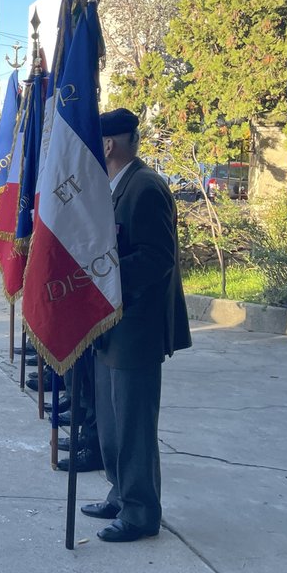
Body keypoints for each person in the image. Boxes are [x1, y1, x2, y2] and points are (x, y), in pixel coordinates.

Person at [81, 108, 191, 543]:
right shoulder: (116, 187)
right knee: (110, 420)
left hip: (136, 325)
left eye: (96, 142)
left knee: (133, 424)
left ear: (109, 144)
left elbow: (156, 258)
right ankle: (120, 492)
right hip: (111, 322)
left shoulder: (144, 187)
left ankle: (142, 511)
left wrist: (102, 272)